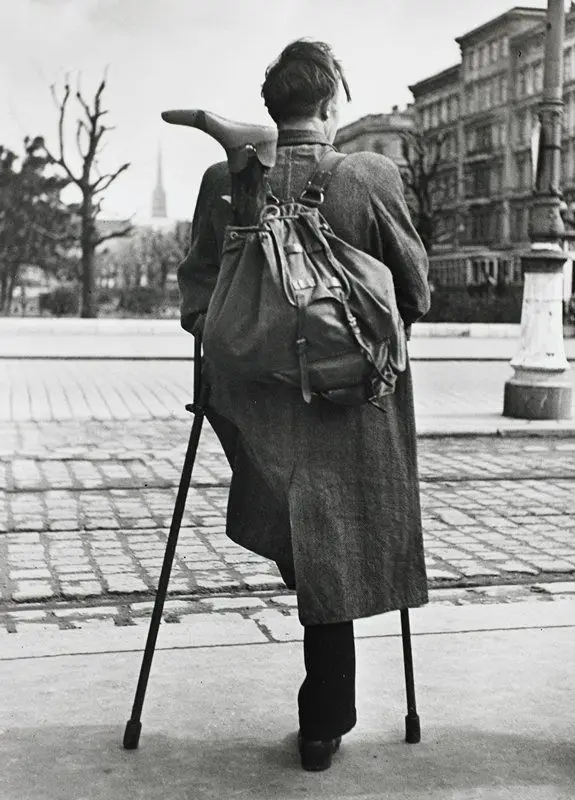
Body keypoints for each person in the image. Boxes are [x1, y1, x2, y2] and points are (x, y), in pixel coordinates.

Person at [177, 39, 431, 771]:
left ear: (272, 107)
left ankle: (324, 704)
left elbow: (197, 300)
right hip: (350, 402)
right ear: (329, 104)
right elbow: (414, 291)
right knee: (335, 539)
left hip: (256, 410)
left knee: (303, 534)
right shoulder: (369, 175)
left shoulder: (221, 180)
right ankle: (324, 721)